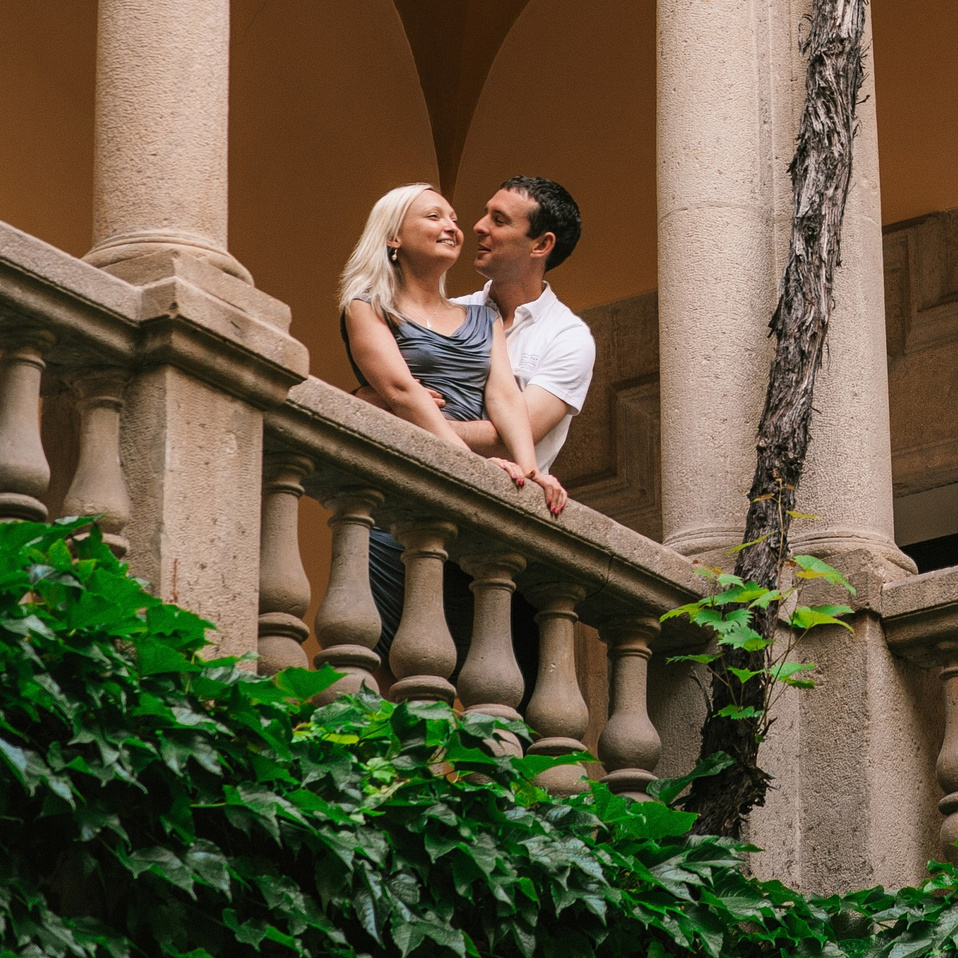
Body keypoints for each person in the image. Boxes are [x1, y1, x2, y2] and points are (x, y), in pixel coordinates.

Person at [339, 183, 567, 677]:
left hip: (467, 500)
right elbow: (402, 391)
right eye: (433, 217)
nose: (452, 227)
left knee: (458, 661)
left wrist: (531, 471)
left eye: (454, 219)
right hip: (400, 492)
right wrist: (470, 470)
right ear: (394, 236)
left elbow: (504, 399)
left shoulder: (484, 318)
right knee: (383, 660)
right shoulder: (367, 306)